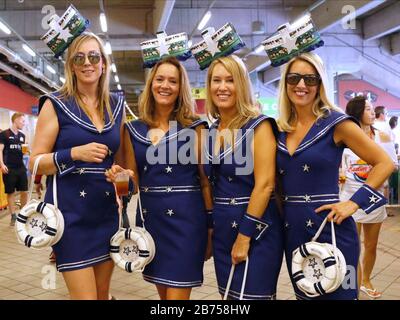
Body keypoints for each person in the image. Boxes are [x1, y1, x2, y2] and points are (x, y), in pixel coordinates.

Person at [276, 52, 394, 300]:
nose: (301, 85)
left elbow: (385, 163)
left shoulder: (336, 122)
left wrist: (354, 203)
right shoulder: (280, 128)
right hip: (293, 230)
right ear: (285, 82)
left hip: (332, 229)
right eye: (294, 78)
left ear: (320, 84)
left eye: (310, 79)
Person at [29, 32, 124, 300]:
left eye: (94, 56)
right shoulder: (56, 104)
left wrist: (121, 175)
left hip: (105, 214)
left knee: (103, 296)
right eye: (79, 57)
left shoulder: (116, 105)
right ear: (71, 65)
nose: (87, 63)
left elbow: (123, 164)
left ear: (103, 62)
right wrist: (73, 153)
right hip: (69, 217)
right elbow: (35, 164)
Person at [108, 56, 213, 300]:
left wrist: (210, 227)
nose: (165, 85)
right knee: (164, 296)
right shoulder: (132, 129)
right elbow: (130, 185)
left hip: (188, 223)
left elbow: (206, 181)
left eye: (173, 81)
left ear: (180, 88)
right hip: (151, 222)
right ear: (151, 83)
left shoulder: (196, 127)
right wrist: (118, 178)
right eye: (160, 79)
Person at [204, 55, 283, 300]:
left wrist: (244, 237)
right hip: (222, 228)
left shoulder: (260, 126)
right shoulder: (211, 130)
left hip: (255, 230)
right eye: (216, 80)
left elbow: (266, 184)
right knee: (228, 297)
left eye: (230, 80)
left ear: (242, 85)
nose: (222, 87)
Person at [340, 96, 397, 299]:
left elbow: (391, 164)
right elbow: (338, 165)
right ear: (356, 112)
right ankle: (354, 282)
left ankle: (366, 280)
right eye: (367, 109)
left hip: (374, 198)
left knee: (371, 245)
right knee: (352, 244)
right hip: (349, 198)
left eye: (372, 109)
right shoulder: (345, 135)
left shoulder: (383, 136)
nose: (372, 112)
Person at [0, 112, 28, 226]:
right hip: (9, 168)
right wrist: (2, 164)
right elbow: (0, 150)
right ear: (16, 120)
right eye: (22, 121)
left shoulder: (22, 135)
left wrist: (27, 151)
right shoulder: (4, 134)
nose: (24, 123)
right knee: (10, 192)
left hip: (20, 167)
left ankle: (23, 213)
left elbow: (22, 151)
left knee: (24, 191)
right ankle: (13, 216)